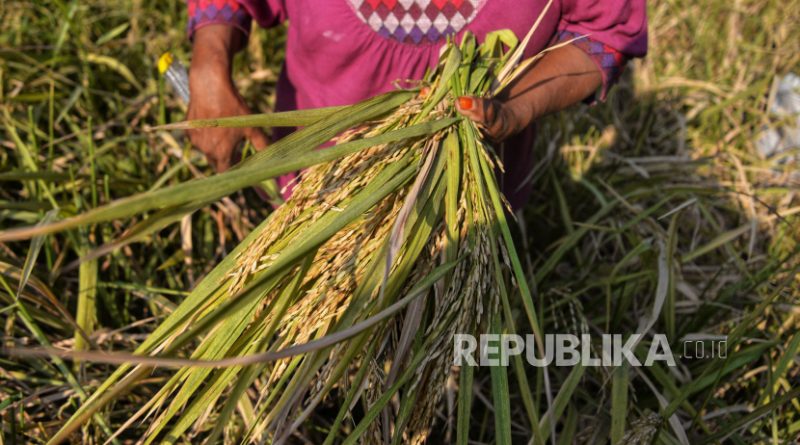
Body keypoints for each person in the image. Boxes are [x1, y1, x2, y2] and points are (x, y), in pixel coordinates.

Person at [185, 0, 646, 208]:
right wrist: (209, 65)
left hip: (468, 215)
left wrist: (516, 108)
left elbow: (605, 31)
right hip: (316, 195)